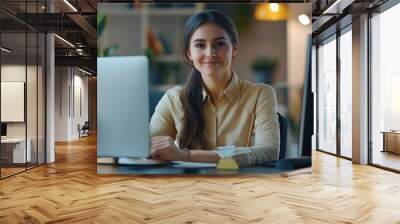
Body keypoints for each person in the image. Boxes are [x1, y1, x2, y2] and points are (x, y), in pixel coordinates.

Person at [150, 10, 280, 167]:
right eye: (200, 45)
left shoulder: (261, 94)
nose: (210, 52)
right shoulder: (174, 98)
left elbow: (268, 151)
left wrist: (186, 155)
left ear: (235, 49)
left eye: (219, 44)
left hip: (240, 187)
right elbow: (148, 146)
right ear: (189, 53)